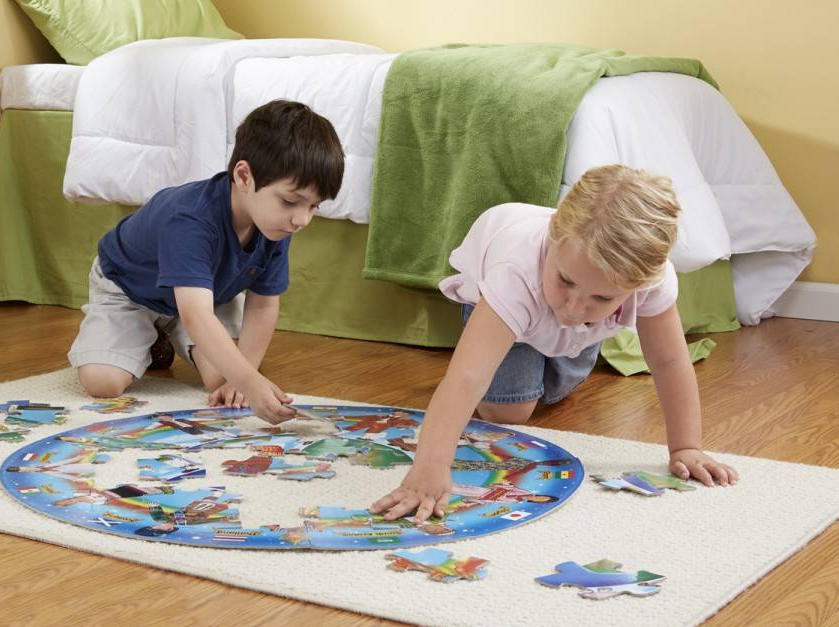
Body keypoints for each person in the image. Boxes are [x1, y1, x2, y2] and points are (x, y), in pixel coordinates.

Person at [371, 165, 739, 523]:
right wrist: (431, 467)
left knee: (559, 366)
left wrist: (686, 446)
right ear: (552, 241)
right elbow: (467, 376)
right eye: (566, 280)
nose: (575, 307)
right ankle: (527, 336)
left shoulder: (651, 280)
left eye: (602, 297)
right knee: (510, 413)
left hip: (570, 326)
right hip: (507, 303)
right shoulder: (514, 271)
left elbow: (670, 361)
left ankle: (564, 337)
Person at [68, 100, 344, 423]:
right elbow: (196, 314)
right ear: (244, 176)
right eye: (290, 201)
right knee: (103, 382)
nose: (302, 220)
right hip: (130, 290)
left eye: (314, 207)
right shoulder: (190, 219)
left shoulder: (277, 224)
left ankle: (166, 334)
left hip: (204, 298)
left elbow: (263, 304)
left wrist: (245, 377)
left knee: (224, 377)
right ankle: (149, 334)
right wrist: (251, 383)